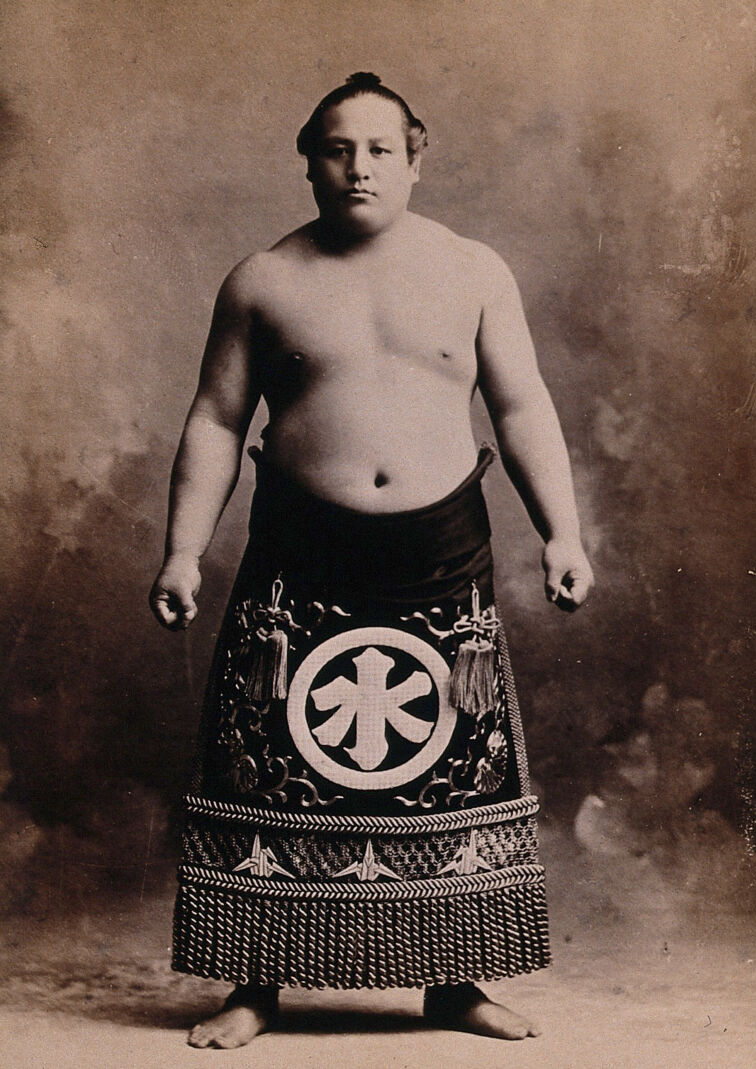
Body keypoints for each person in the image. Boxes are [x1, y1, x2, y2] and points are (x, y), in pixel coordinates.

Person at [150, 72, 593, 1050]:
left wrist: (561, 531)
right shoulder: (261, 280)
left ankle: (455, 982)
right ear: (309, 161)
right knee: (270, 761)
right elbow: (218, 420)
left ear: (415, 159)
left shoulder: (475, 270)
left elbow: (520, 409)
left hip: (437, 550)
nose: (358, 168)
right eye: (337, 149)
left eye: (380, 150)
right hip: (297, 554)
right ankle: (255, 984)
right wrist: (183, 551)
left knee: (452, 762)